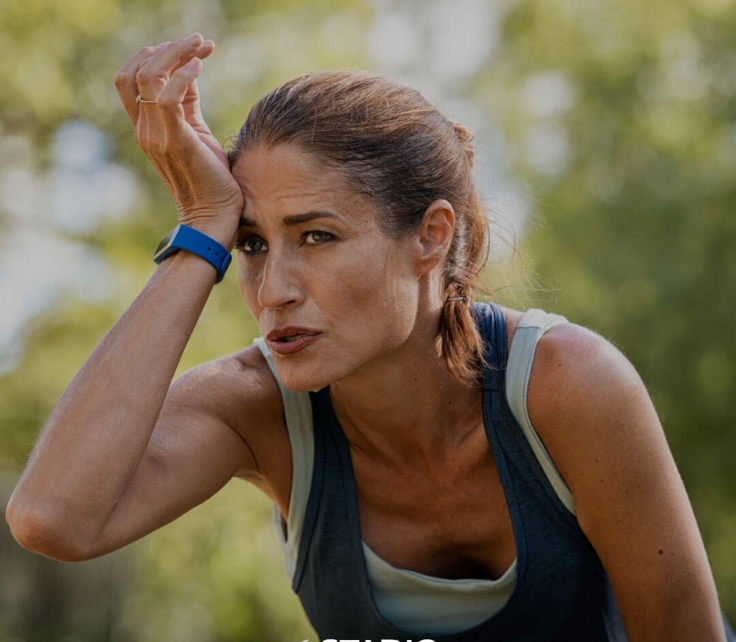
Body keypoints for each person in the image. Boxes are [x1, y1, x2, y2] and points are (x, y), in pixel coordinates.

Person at [5, 33, 734, 642]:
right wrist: (201, 229)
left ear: (430, 235)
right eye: (252, 245)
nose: (274, 289)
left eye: (316, 236)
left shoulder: (566, 385)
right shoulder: (256, 410)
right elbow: (53, 518)